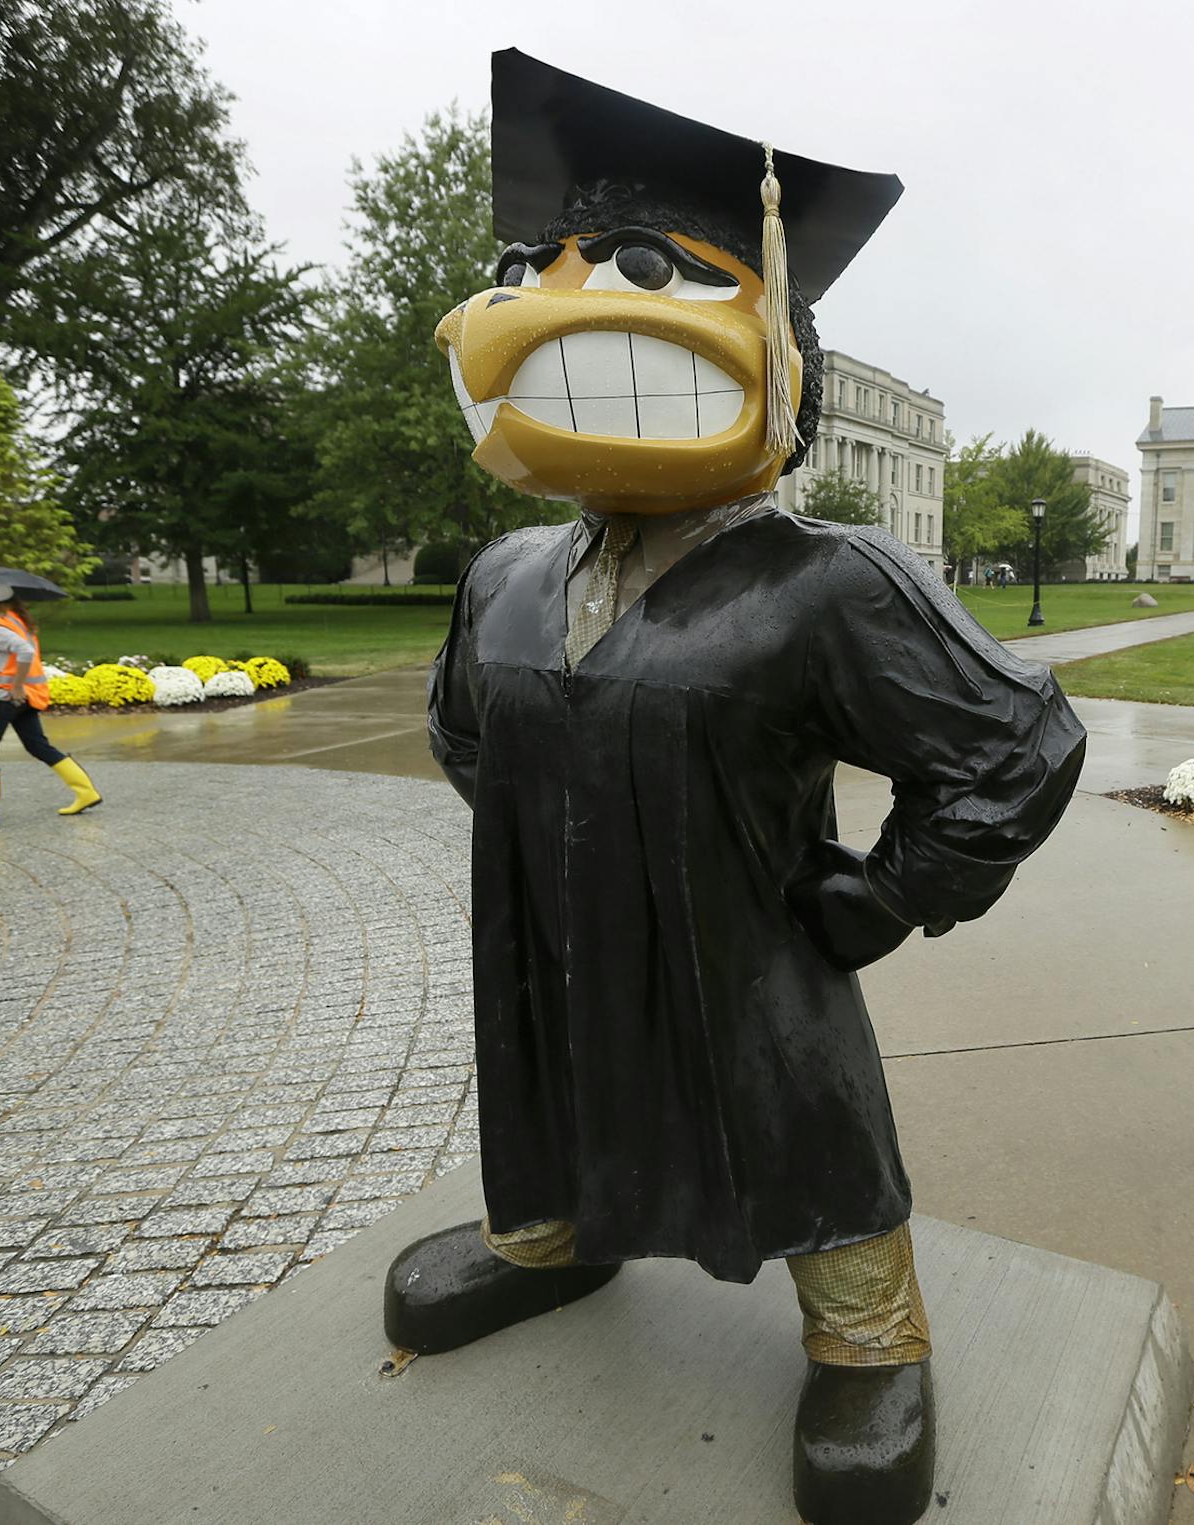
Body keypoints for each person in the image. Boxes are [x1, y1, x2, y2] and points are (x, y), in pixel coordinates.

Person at [391, 51, 1085, 1525]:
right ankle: (561, 1226)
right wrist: (560, 844)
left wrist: (889, 895)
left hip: (752, 949)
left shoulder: (826, 581)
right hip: (556, 931)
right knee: (553, 1060)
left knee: (796, 1112)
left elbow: (1014, 746)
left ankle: (867, 1331)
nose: (569, 297)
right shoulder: (506, 574)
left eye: (643, 268)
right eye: (539, 267)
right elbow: (463, 729)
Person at [0, 578, 101, 830]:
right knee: (37, 745)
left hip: (1, 697)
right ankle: (86, 792)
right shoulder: (12, 618)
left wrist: (15, 686)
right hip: (21, 697)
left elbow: (24, 651)